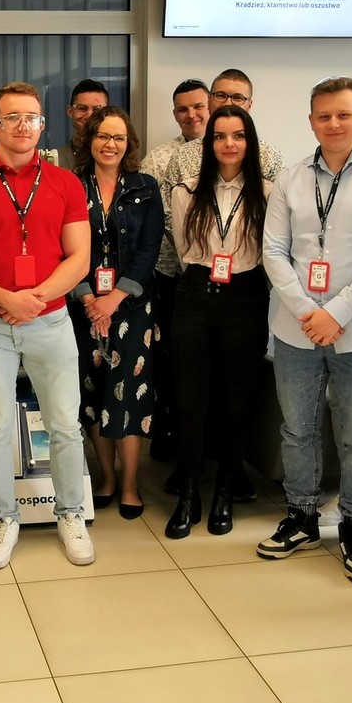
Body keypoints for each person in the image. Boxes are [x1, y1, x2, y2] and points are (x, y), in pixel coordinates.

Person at [261, 78, 352, 580]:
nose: (334, 124)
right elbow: (273, 250)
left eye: (344, 114)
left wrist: (336, 313)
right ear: (311, 122)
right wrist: (308, 310)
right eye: (324, 116)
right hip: (295, 328)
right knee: (297, 430)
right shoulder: (291, 177)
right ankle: (302, 516)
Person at [0, 82, 94, 569]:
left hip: (50, 321)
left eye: (32, 117)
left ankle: (69, 514)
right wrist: (7, 299)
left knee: (65, 425)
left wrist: (35, 299)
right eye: (13, 117)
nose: (24, 125)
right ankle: (4, 518)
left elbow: (79, 258)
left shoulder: (66, 183)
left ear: (42, 124)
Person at [165, 105, 275, 538]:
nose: (229, 144)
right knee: (188, 402)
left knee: (237, 402)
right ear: (209, 143)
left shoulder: (269, 193)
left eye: (238, 135)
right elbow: (182, 249)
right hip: (195, 295)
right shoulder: (187, 191)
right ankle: (188, 494)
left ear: (250, 142)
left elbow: (272, 252)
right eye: (220, 136)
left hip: (246, 298)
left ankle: (225, 494)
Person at [68, 106, 163, 519]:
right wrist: (90, 298)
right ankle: (106, 478)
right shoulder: (71, 186)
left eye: (119, 138)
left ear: (129, 143)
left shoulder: (146, 187)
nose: (110, 144)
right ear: (89, 139)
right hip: (85, 305)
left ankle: (129, 483)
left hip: (133, 306)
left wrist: (115, 298)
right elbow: (63, 247)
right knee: (93, 393)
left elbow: (150, 248)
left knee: (129, 393)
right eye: (103, 136)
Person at [139, 79, 210, 465]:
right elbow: (157, 218)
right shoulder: (158, 159)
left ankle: (211, 444)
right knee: (169, 358)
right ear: (174, 114)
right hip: (170, 275)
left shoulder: (231, 149)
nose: (191, 115)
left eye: (198, 106)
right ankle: (169, 434)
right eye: (183, 109)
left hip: (222, 279)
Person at [55, 78, 109, 171]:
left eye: (97, 109)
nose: (89, 115)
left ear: (108, 113)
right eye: (82, 108)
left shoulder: (118, 156)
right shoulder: (56, 162)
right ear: (70, 112)